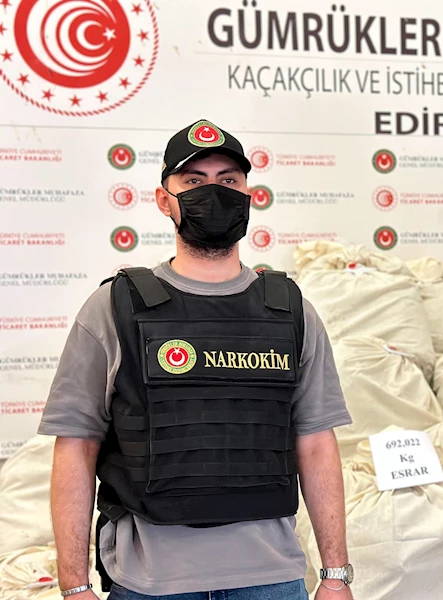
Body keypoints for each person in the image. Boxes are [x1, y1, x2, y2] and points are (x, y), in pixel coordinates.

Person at [38, 120, 355, 600]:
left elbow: (316, 443)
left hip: (271, 580)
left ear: (249, 195)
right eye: (193, 181)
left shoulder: (291, 310)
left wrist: (335, 574)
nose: (214, 192)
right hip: (148, 585)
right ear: (164, 200)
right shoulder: (114, 308)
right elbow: (76, 447)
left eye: (228, 180)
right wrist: (74, 585)